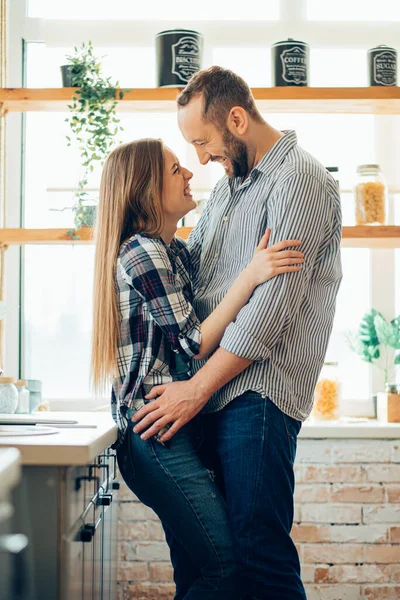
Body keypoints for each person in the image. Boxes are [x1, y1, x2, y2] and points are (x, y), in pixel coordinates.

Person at [132, 67, 343, 599]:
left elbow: (270, 313)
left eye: (203, 143)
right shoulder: (228, 192)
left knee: (259, 554)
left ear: (237, 119)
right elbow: (196, 286)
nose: (201, 159)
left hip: (258, 394)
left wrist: (195, 389)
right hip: (208, 396)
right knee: (210, 563)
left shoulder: (300, 178)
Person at [91, 137, 305, 600]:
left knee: (198, 571)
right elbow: (193, 340)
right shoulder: (140, 251)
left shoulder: (175, 252)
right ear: (144, 188)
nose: (190, 172)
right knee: (226, 570)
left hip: (176, 427)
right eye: (175, 169)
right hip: (155, 433)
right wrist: (252, 275)